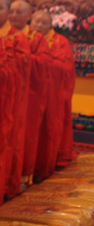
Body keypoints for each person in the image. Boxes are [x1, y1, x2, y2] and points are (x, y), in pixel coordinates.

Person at [0, 0, 31, 202]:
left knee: (7, 141)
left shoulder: (17, 37)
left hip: (10, 98)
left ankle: (4, 184)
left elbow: (22, 66)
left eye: (0, 8)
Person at [10, 0, 51, 187]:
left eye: (20, 12)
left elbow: (43, 64)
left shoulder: (36, 39)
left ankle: (22, 176)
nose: (14, 16)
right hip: (8, 93)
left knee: (25, 136)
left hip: (29, 95)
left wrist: (22, 58)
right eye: (12, 11)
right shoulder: (3, 35)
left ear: (29, 16)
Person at [31, 9, 76, 176]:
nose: (39, 25)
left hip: (52, 93)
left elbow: (66, 68)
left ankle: (47, 161)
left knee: (49, 126)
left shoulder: (60, 41)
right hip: (33, 90)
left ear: (50, 24)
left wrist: (44, 63)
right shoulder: (28, 39)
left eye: (43, 22)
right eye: (36, 21)